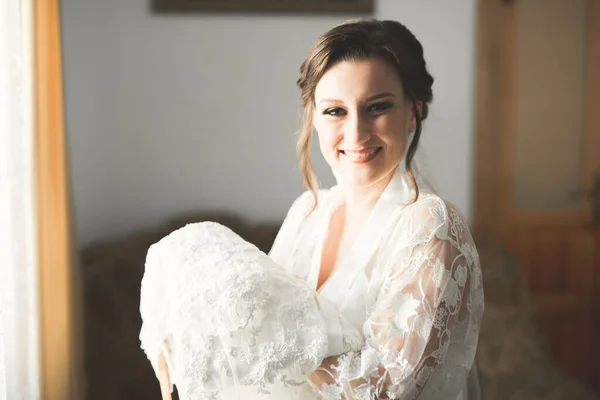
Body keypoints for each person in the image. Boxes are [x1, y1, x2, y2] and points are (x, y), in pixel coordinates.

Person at [140, 18, 484, 400]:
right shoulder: (308, 212)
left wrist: (277, 334)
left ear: (413, 111)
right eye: (335, 111)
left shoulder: (429, 226)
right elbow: (255, 358)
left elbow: (385, 388)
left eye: (377, 107)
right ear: (313, 118)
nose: (356, 134)